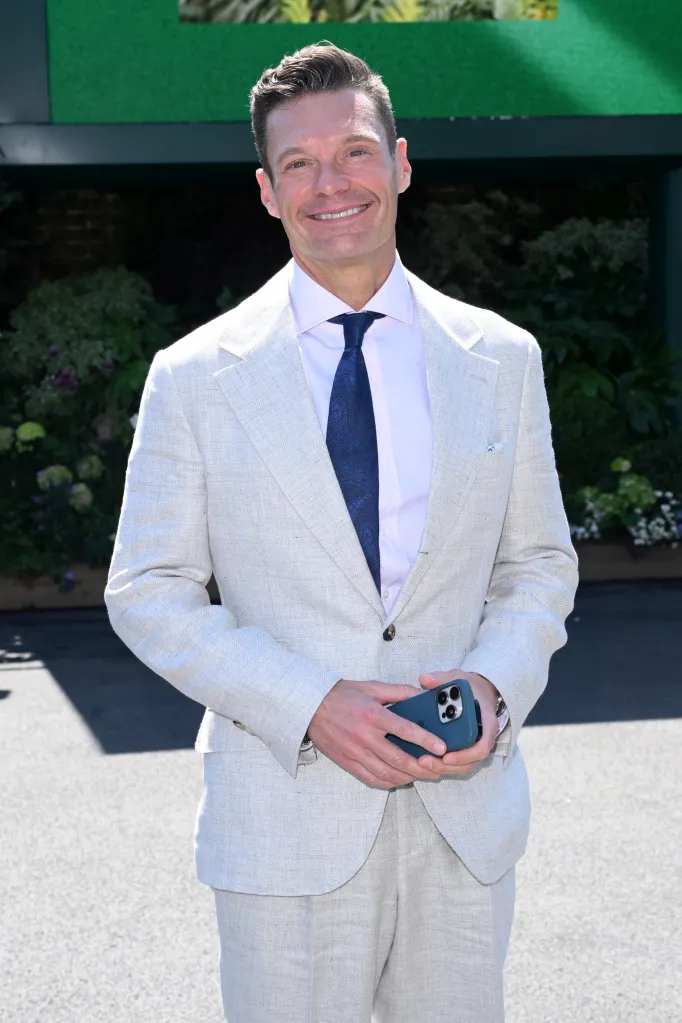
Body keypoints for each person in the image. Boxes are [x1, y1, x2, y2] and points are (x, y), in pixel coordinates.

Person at [105, 42, 578, 1023]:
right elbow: (147, 590)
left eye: (354, 151)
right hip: (284, 825)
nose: (332, 183)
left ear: (399, 164)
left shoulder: (501, 358)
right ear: (266, 191)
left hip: (465, 818)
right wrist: (313, 703)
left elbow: (537, 565)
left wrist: (493, 688)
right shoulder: (193, 377)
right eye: (299, 164)